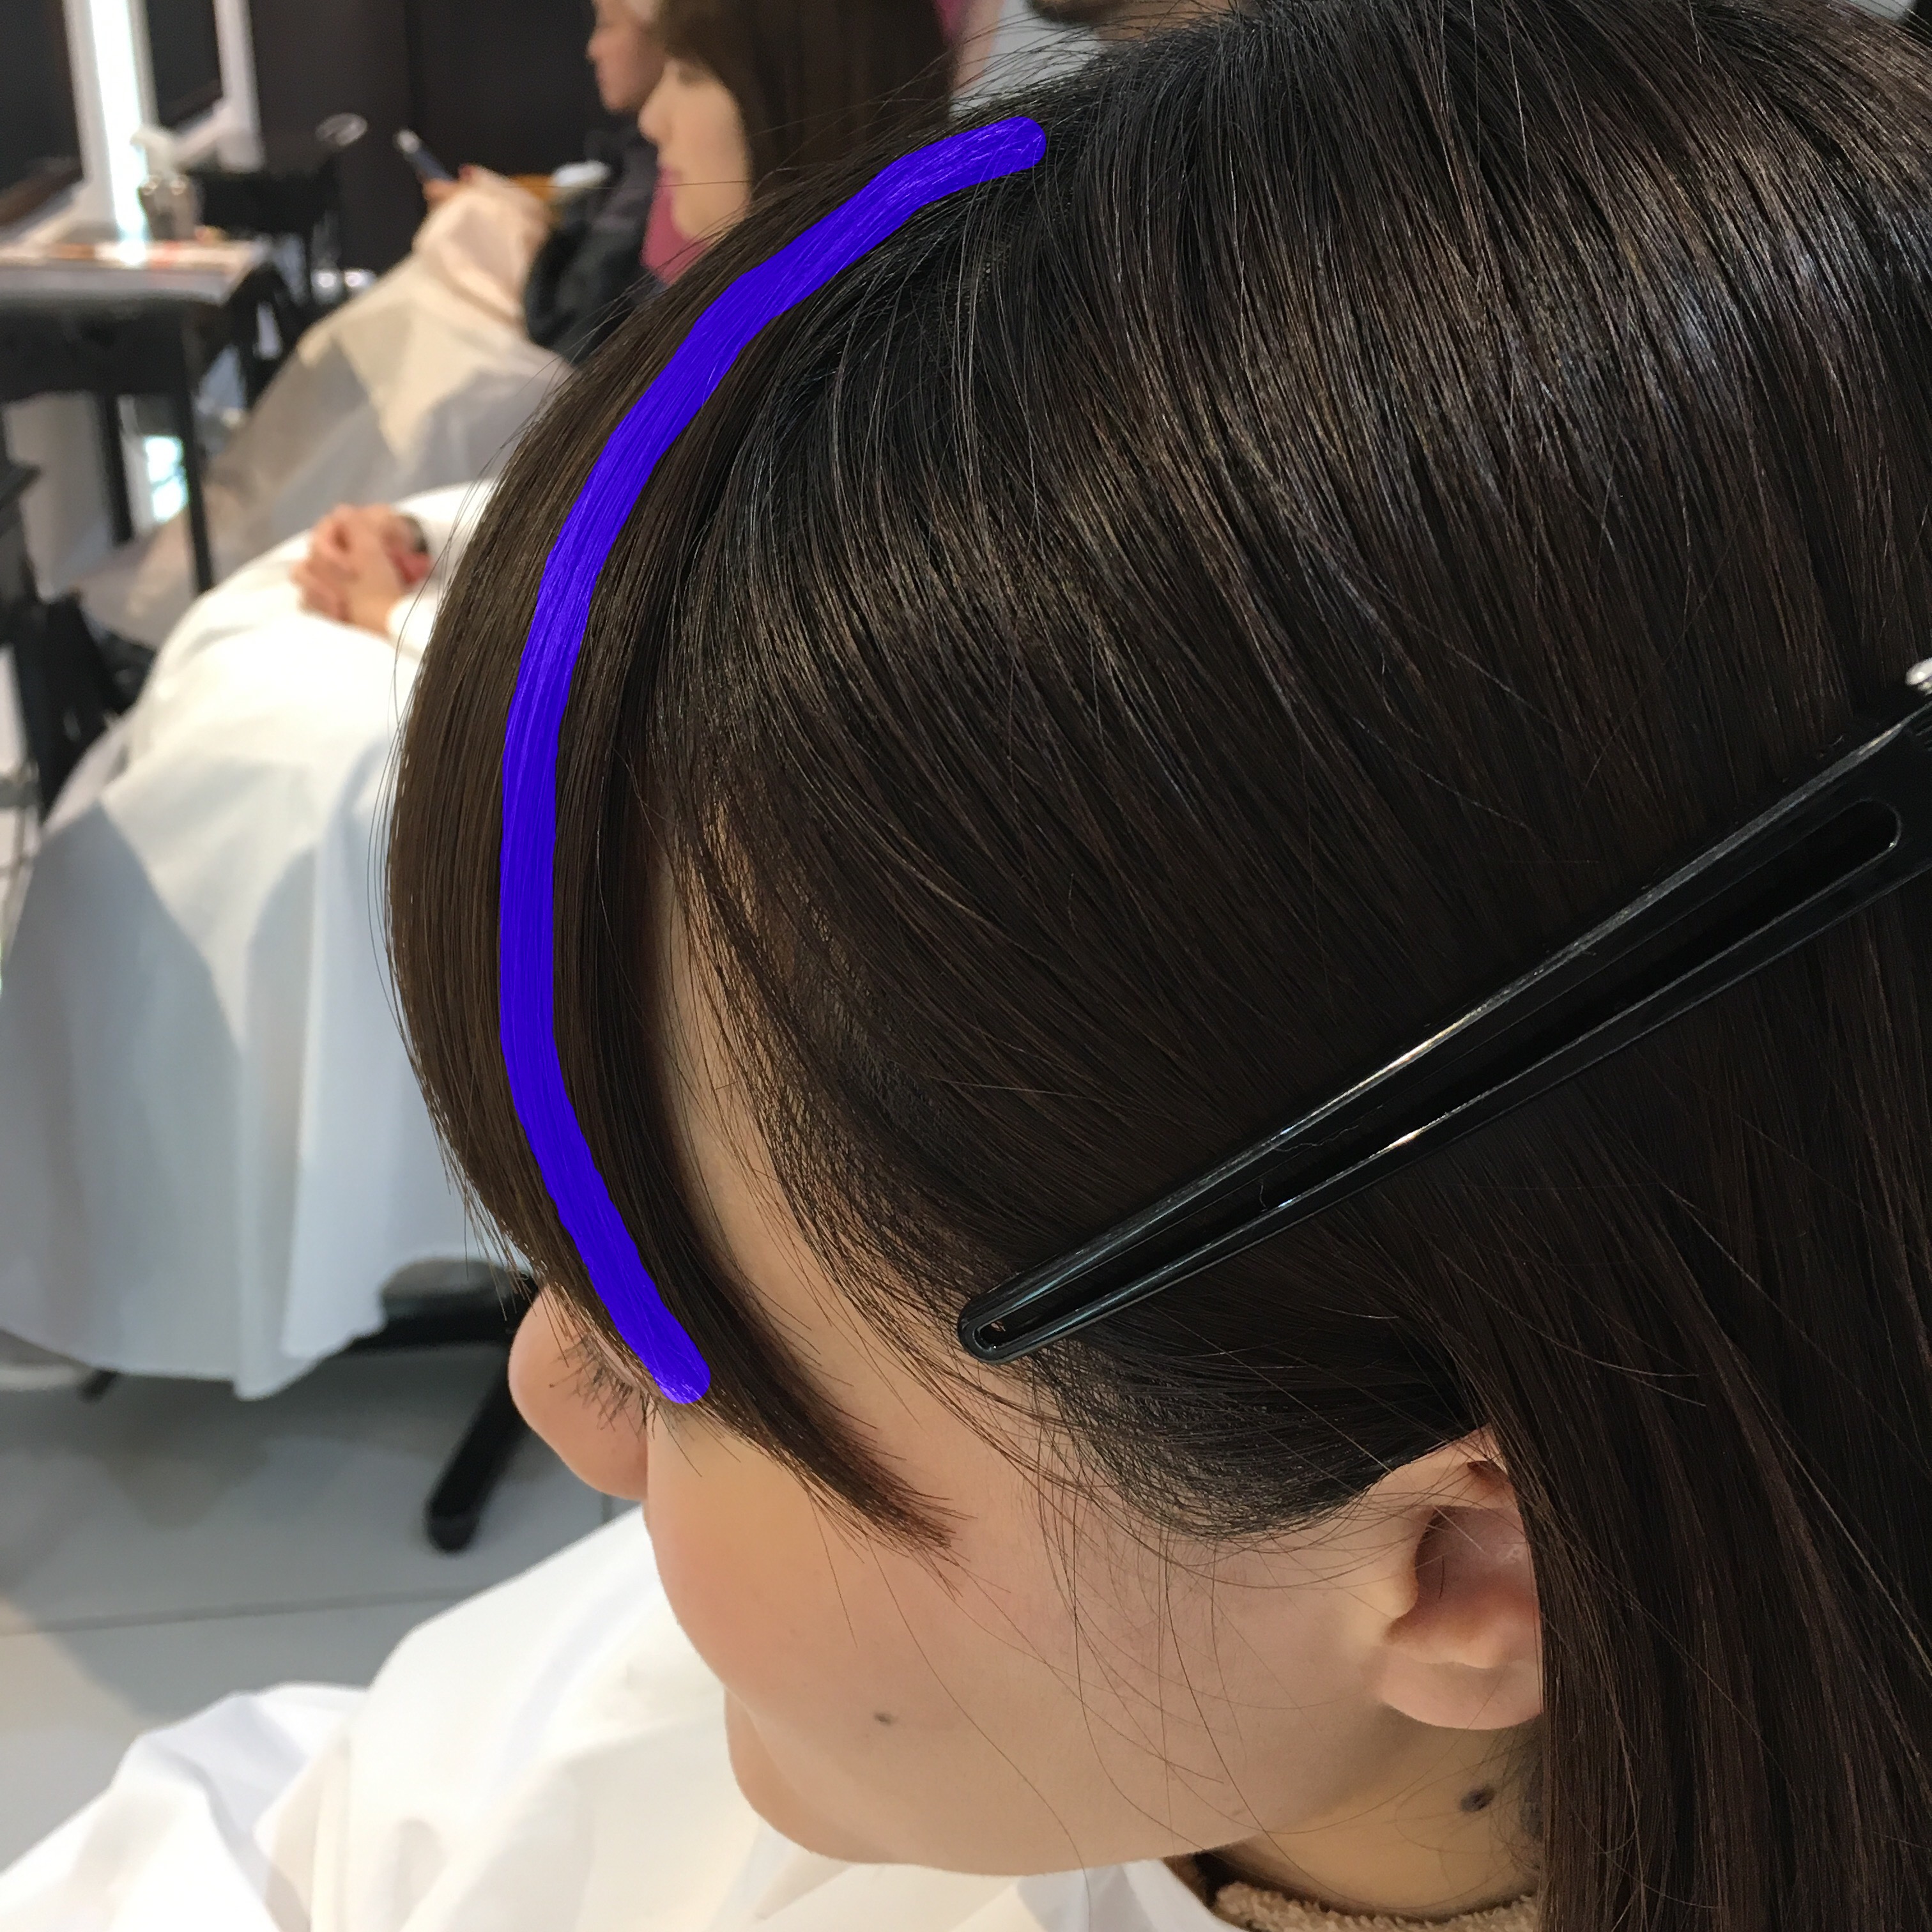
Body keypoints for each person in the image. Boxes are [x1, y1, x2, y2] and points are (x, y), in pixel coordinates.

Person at [8, 3, 1931, 1931]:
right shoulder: (754, 1709)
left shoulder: (928, 1697)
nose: (547, 1394)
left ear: (1477, 1567)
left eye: (681, 1344)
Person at [291, 0, 953, 636]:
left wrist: (389, 611)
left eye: (688, 74)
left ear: (803, 89)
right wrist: (423, 539)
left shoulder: (836, 420)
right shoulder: (763, 334)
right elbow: (623, 535)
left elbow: (673, 675)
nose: (656, 120)